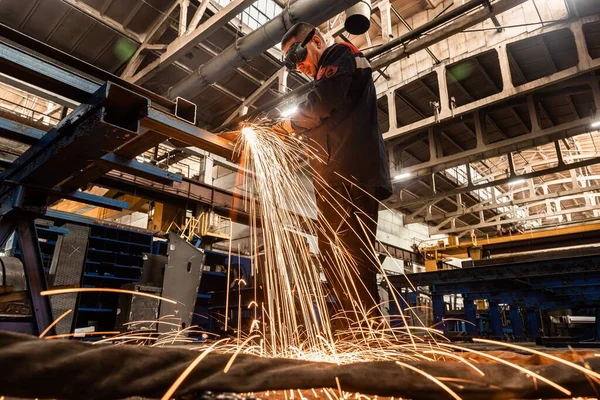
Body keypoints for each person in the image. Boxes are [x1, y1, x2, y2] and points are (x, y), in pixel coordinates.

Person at [273, 22, 392, 325]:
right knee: (332, 250)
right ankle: (355, 322)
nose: (299, 66)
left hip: (351, 174)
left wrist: (288, 126)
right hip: (336, 176)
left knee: (351, 252)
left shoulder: (339, 53)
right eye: (293, 63)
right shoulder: (327, 74)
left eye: (299, 55)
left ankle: (367, 326)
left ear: (315, 40)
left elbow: (324, 101)